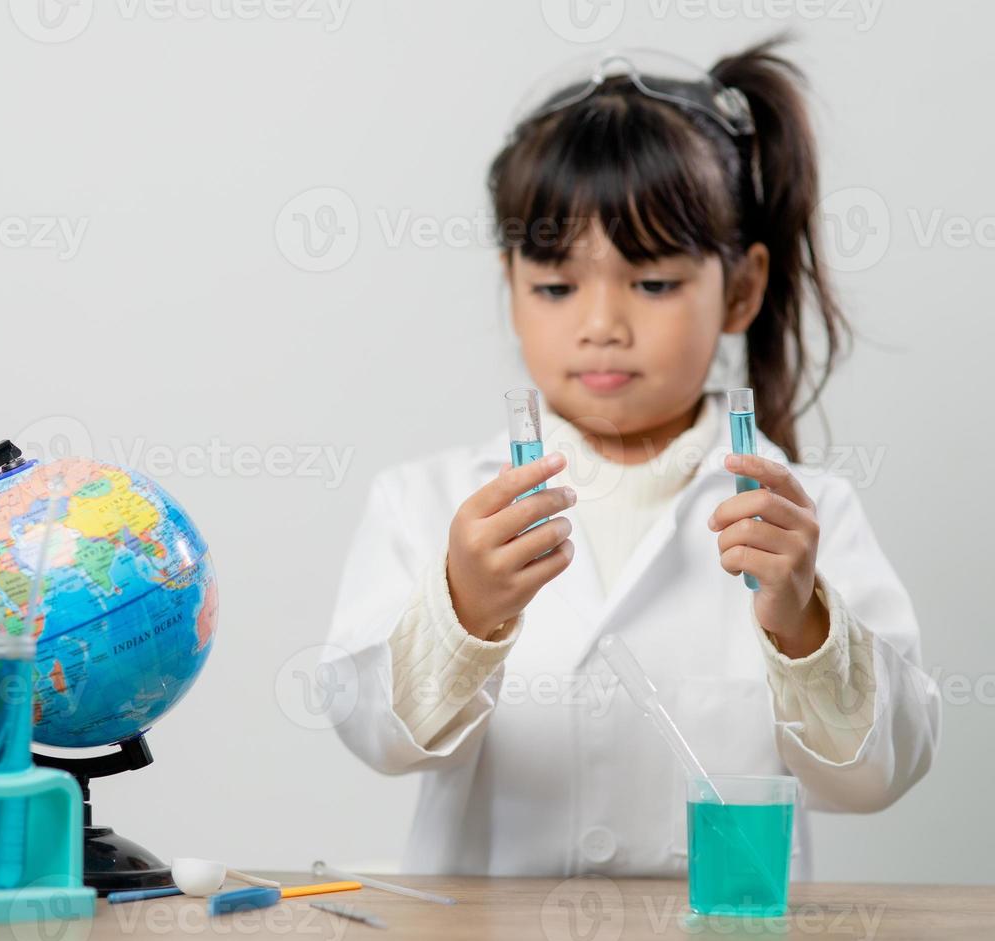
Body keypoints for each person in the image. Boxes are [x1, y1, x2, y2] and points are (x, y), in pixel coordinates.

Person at [322, 41, 940, 878]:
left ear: (744, 289)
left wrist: (803, 622)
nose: (602, 324)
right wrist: (461, 611)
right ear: (510, 284)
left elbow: (875, 777)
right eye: (555, 287)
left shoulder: (807, 517)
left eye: (652, 284)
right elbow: (381, 738)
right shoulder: (424, 502)